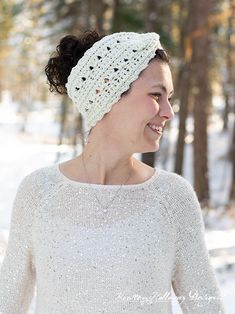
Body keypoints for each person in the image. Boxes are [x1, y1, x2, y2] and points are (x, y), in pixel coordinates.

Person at [0, 30, 226, 313]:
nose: (168, 112)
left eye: (169, 98)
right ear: (105, 91)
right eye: (157, 95)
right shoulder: (39, 192)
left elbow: (207, 308)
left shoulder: (172, 198)